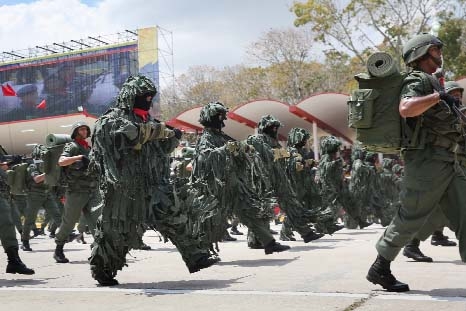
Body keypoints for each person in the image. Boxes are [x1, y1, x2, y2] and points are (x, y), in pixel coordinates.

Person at [89, 75, 218, 286]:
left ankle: (196, 257)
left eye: (150, 96)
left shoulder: (149, 121)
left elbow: (160, 150)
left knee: (174, 216)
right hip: (125, 189)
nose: (148, 100)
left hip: (154, 185)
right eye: (143, 96)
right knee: (118, 232)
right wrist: (160, 131)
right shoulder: (111, 120)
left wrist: (173, 137)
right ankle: (103, 269)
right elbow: (127, 137)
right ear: (130, 96)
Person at [367, 33, 466, 292]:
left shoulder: (433, 81)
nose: (440, 53)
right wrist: (437, 97)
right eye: (435, 49)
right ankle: (380, 267)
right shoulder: (417, 79)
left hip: (446, 160)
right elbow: (406, 108)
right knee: (410, 217)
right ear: (421, 53)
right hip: (426, 163)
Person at [188, 103, 290, 254]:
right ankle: (200, 252)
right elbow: (205, 157)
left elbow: (234, 149)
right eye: (219, 116)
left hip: (235, 183)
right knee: (211, 220)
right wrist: (226, 149)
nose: (222, 119)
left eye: (223, 115)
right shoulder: (206, 138)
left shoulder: (221, 136)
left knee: (251, 210)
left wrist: (242, 148)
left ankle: (269, 242)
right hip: (218, 188)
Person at [247, 115, 324, 244]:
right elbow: (259, 157)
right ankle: (255, 239)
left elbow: (283, 159)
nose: (275, 130)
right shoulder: (256, 140)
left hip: (279, 179)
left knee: (292, 204)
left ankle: (306, 233)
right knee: (262, 209)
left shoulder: (275, 142)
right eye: (273, 127)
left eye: (276, 127)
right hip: (263, 180)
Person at [53, 121, 101, 263]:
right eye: (81, 129)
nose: (84, 132)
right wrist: (78, 158)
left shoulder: (89, 148)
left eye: (86, 129)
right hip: (76, 192)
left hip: (91, 191)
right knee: (69, 222)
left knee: (97, 222)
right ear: (75, 132)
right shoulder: (72, 146)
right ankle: (58, 250)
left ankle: (98, 251)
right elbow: (61, 162)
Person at [20, 144, 62, 251]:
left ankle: (66, 235)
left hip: (47, 194)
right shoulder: (32, 166)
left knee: (57, 215)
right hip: (34, 195)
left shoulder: (48, 165)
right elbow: (37, 179)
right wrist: (49, 172)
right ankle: (25, 241)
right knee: (30, 219)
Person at [0, 157, 34, 275]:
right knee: (6, 224)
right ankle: (13, 261)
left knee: (8, 225)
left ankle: (13, 261)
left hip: (4, 194)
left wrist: (6, 164)